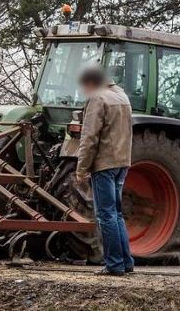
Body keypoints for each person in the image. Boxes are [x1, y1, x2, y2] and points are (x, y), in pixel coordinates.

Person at [75, 65, 134, 276]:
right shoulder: (121, 95)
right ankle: (126, 262)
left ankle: (114, 264)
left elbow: (89, 138)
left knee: (105, 215)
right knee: (116, 214)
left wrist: (81, 169)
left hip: (104, 165)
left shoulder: (98, 99)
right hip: (122, 163)